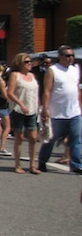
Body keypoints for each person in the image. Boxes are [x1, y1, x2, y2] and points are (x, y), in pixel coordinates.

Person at [37, 45, 81, 173]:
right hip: (57, 113)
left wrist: (80, 106)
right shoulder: (53, 70)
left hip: (74, 111)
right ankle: (42, 161)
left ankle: (76, 165)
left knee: (76, 139)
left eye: (72, 56)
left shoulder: (75, 69)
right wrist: (45, 108)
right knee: (50, 139)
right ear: (60, 57)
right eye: (67, 56)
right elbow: (47, 91)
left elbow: (77, 89)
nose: (70, 58)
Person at [6, 53, 40, 174]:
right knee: (19, 137)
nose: (30, 64)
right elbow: (10, 92)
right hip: (18, 110)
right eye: (26, 62)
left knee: (33, 137)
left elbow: (35, 93)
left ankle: (32, 165)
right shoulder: (15, 75)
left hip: (32, 110)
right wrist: (20, 104)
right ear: (19, 63)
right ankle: (17, 164)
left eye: (30, 61)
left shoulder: (32, 76)